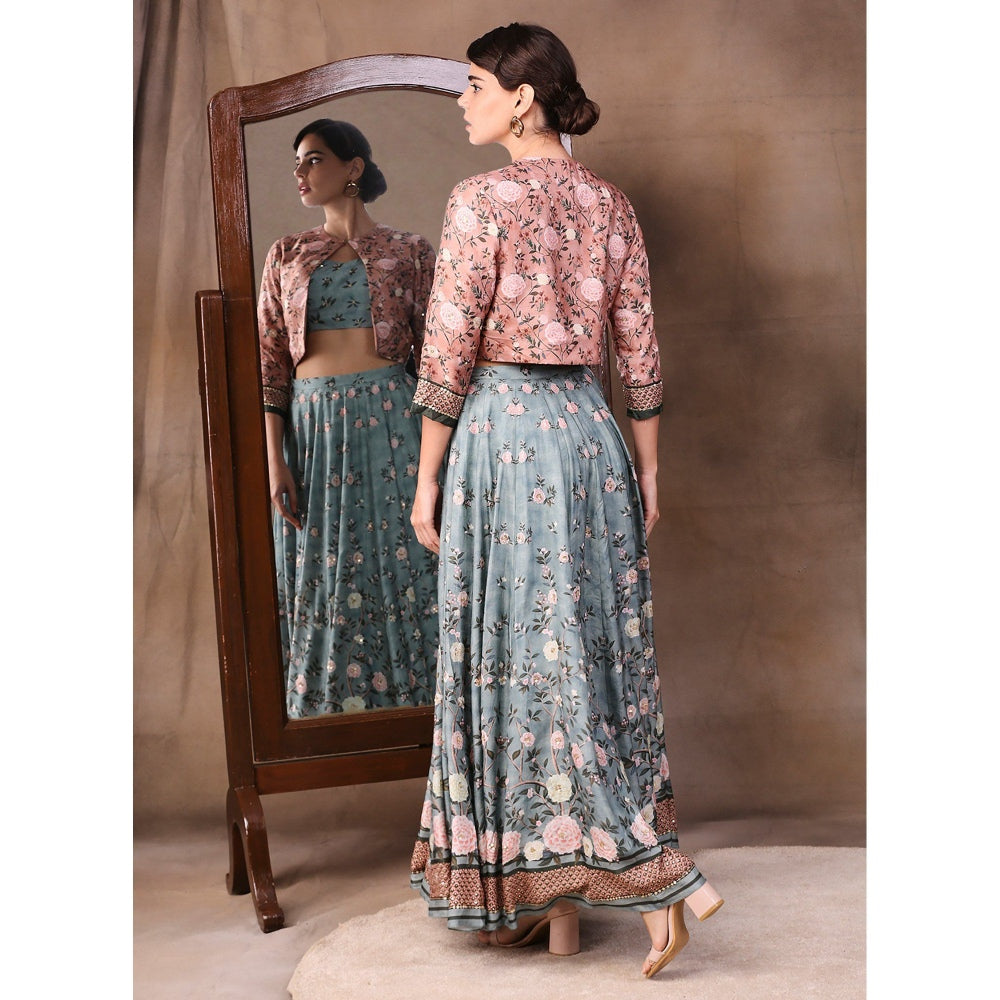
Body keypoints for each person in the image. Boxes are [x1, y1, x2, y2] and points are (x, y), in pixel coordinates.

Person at [407, 25, 723, 978]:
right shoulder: (610, 203)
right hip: (592, 438)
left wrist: (426, 478)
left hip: (504, 442)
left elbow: (448, 349)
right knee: (589, 658)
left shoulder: (480, 200)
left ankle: (660, 879)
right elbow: (641, 350)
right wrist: (649, 470)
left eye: (473, 85)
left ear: (522, 98)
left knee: (528, 664)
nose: (461, 101)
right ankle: (560, 895)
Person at [257, 119, 440, 717]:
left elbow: (436, 356)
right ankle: (325, 720)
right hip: (313, 430)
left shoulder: (410, 251)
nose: (300, 172)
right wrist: (275, 461)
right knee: (322, 570)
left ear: (352, 167)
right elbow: (269, 365)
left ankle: (427, 714)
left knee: (409, 562)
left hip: (394, 422)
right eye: (297, 161)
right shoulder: (286, 254)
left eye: (313, 159)